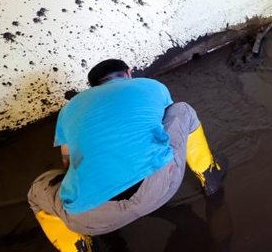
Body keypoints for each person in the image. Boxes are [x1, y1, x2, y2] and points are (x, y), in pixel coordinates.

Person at [27, 59, 226, 252]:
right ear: (129, 73)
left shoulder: (68, 110)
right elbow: (163, 121)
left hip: (89, 219)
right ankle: (210, 175)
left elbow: (67, 161)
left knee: (36, 193)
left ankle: (81, 248)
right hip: (163, 187)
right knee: (182, 110)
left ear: (92, 87)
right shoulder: (150, 85)